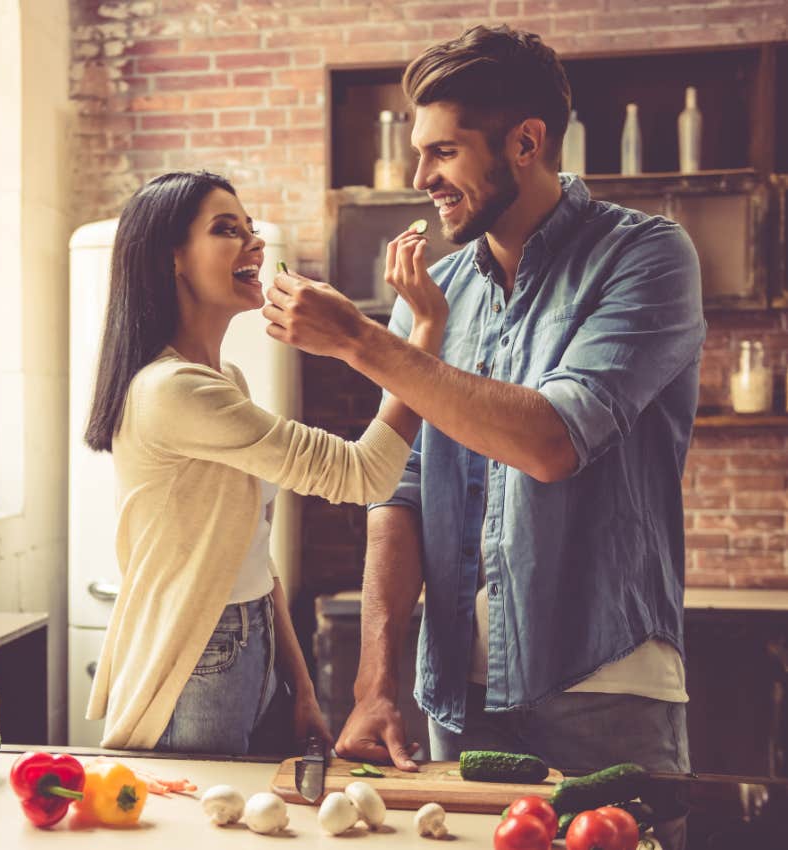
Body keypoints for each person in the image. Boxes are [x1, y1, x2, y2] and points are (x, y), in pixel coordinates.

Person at [263, 24, 705, 774]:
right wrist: (377, 682)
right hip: (459, 697)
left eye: (443, 151)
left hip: (605, 681)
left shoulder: (647, 257)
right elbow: (398, 495)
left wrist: (360, 341)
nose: (421, 176)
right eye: (419, 152)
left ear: (525, 143)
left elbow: (550, 441)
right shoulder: (431, 300)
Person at [83, 170, 447, 754]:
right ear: (171, 257)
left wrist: (297, 686)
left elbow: (251, 552)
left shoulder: (224, 381)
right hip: (197, 655)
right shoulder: (173, 391)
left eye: (250, 228)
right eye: (227, 230)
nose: (254, 242)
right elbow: (365, 474)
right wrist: (423, 332)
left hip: (246, 641)